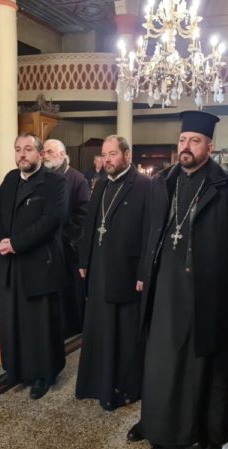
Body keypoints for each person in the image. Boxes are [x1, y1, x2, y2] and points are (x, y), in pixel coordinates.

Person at [128, 111, 228, 449]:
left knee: (199, 365)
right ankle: (157, 425)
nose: (186, 146)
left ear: (209, 147)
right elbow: (150, 232)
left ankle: (201, 432)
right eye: (183, 140)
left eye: (195, 141)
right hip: (162, 288)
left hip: (204, 294)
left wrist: (214, 274)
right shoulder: (162, 181)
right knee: (160, 362)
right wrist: (144, 273)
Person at [0, 132, 67, 400]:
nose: (22, 154)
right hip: (11, 265)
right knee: (11, 323)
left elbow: (51, 220)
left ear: (40, 154)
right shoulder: (11, 178)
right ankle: (13, 369)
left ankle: (43, 374)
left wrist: (16, 243)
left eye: (28, 149)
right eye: (18, 149)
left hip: (39, 264)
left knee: (39, 325)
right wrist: (0, 240)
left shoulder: (54, 182)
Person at [76, 135, 151, 410]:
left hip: (126, 270)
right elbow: (90, 224)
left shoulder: (144, 185)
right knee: (98, 328)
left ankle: (123, 388)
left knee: (123, 333)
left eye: (113, 154)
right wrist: (84, 260)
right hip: (98, 268)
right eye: (104, 154)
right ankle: (95, 384)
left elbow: (149, 233)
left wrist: (144, 272)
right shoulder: (101, 184)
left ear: (127, 156)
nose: (107, 159)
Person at [43, 138, 90, 338]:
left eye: (50, 152)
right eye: (44, 152)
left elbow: (83, 214)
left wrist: (64, 237)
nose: (45, 155)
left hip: (68, 247)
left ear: (62, 155)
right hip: (46, 246)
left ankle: (72, 328)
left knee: (69, 291)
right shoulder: (43, 177)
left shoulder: (77, 179)